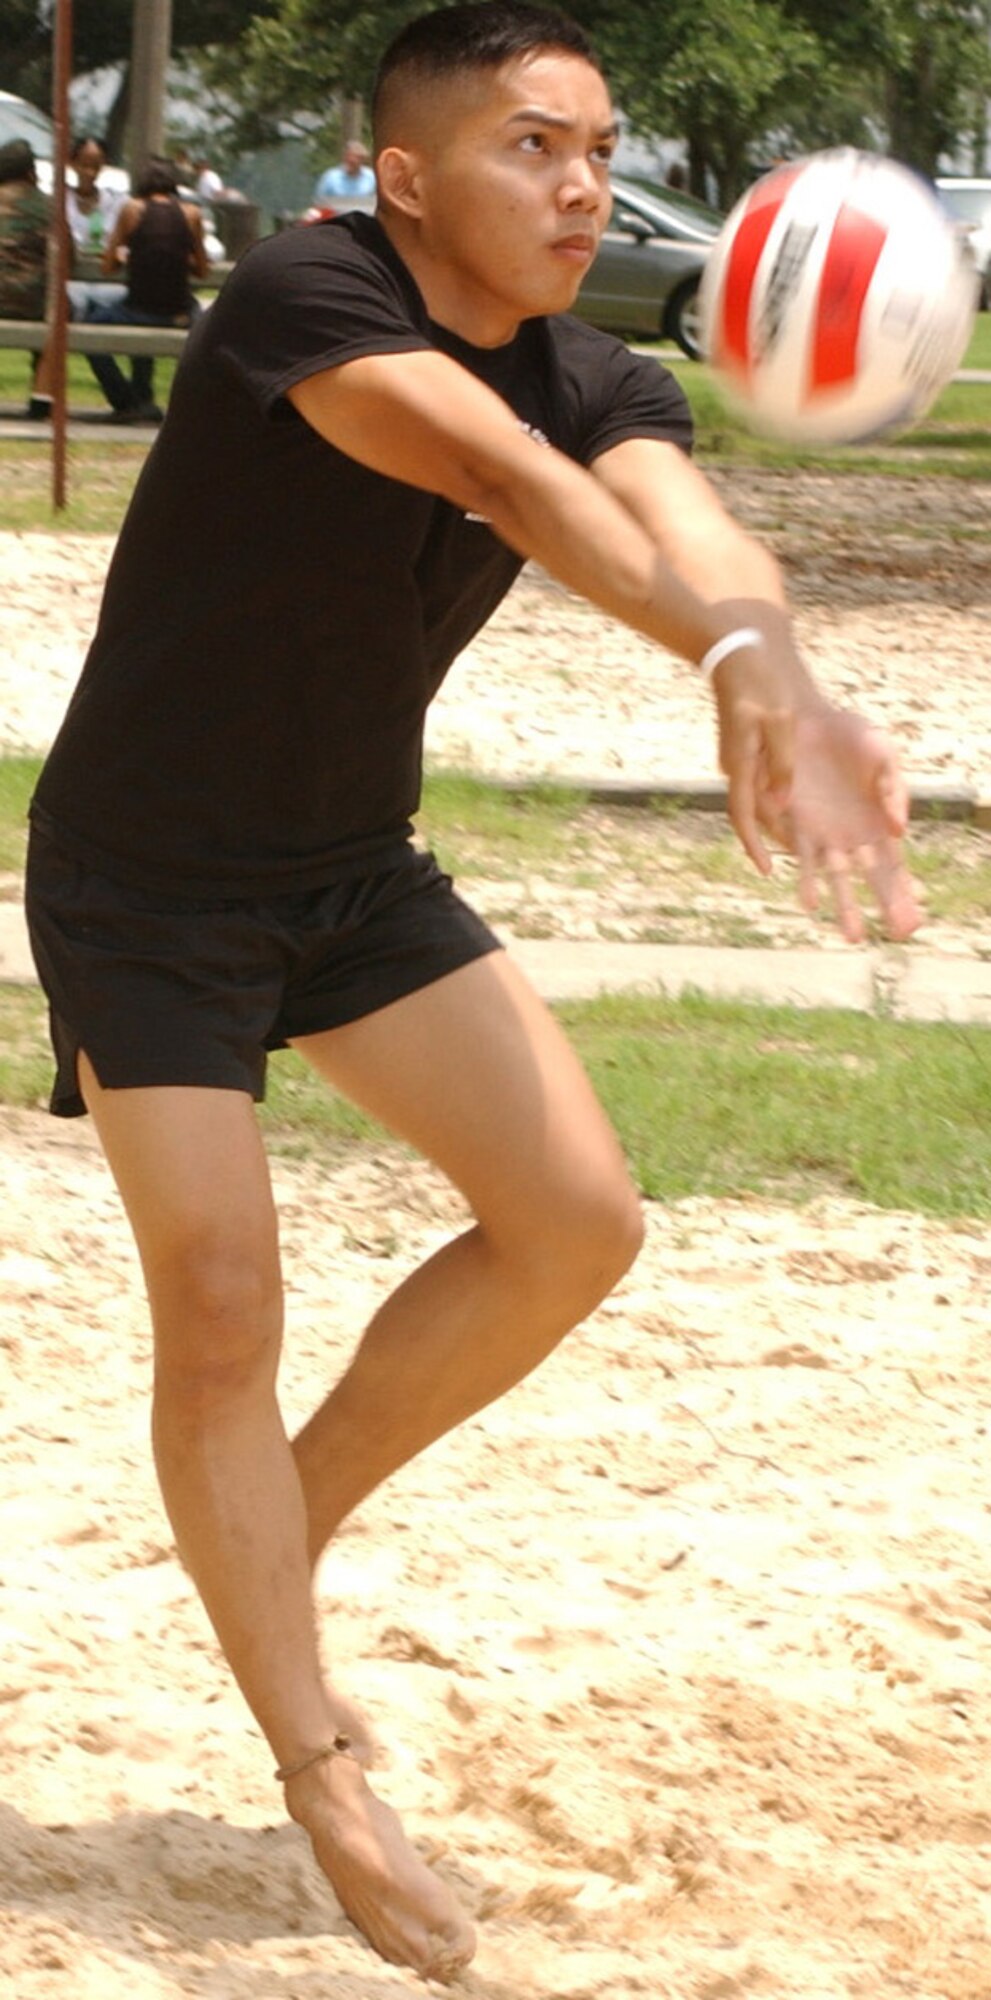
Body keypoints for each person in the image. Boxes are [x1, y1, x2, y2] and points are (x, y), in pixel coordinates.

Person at [24, 1, 920, 1983]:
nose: (583, 182)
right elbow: (509, 484)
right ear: (407, 174)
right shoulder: (302, 298)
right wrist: (725, 666)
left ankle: (275, 1518)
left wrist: (767, 642)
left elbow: (675, 512)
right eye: (534, 144)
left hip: (349, 872)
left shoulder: (605, 366)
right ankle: (314, 1749)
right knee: (223, 1301)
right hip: (147, 884)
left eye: (598, 147)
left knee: (579, 1221)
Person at [83, 155, 208, 422]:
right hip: (180, 312)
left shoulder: (131, 210)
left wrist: (123, 256)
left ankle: (125, 400)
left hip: (138, 309)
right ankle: (145, 398)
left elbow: (106, 267)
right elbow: (203, 270)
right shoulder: (192, 214)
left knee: (88, 329)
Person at [0, 137, 57, 418]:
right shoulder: (48, 206)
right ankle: (41, 399)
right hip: (30, 306)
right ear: (30, 171)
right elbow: (66, 255)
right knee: (58, 311)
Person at [65, 135, 124, 256]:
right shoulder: (62, 200)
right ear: (73, 164)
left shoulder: (115, 202)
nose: (90, 173)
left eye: (95, 167)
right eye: (84, 165)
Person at [312, 137, 377, 208]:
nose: (353, 161)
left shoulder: (371, 177)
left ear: (362, 160)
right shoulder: (330, 177)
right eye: (350, 159)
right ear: (345, 157)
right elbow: (319, 203)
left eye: (358, 159)